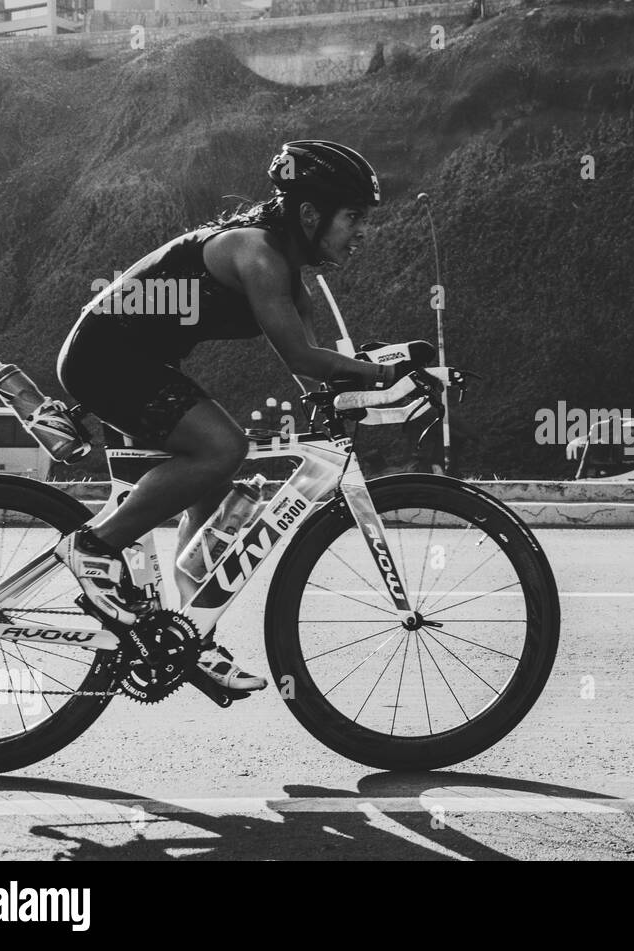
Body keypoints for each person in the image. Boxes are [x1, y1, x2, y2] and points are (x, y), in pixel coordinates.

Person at [55, 140, 403, 692]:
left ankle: (189, 638)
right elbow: (301, 357)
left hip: (135, 359)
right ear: (310, 214)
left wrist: (363, 391)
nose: (363, 230)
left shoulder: (288, 272)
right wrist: (386, 374)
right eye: (354, 216)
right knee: (223, 449)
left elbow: (314, 373)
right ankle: (93, 546)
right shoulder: (257, 254)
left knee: (215, 503)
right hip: (106, 357)